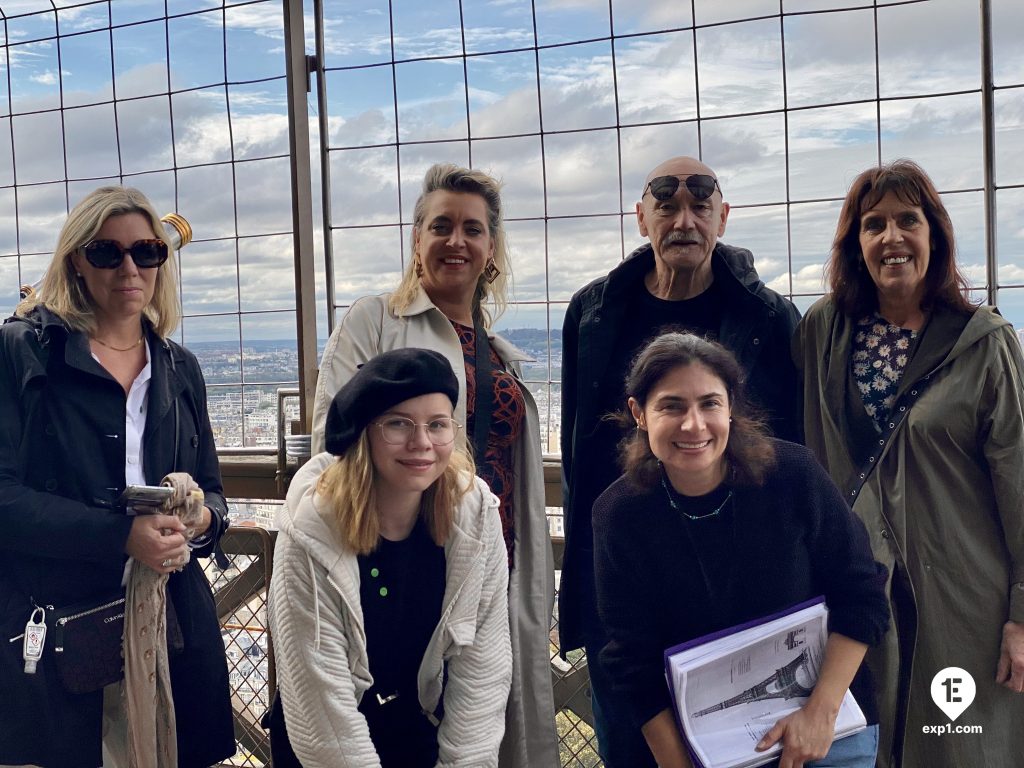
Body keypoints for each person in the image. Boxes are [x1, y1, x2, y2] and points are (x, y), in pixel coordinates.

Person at [310, 163, 558, 766]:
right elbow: (331, 441)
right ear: (416, 240)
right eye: (441, 226)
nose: (457, 241)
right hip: (402, 563)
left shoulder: (497, 349)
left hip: (489, 561)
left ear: (491, 249)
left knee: (482, 723)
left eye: (473, 229)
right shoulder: (376, 321)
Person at [559, 155, 801, 765]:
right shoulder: (592, 312)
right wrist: (583, 594)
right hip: (625, 588)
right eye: (666, 205)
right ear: (641, 219)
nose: (684, 219)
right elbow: (581, 454)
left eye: (700, 204)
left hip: (738, 589)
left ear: (724, 216)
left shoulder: (769, 317)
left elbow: (794, 451)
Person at [794, 159, 1024, 768]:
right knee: (866, 748)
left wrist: (1023, 615)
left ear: (936, 236)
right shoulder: (825, 330)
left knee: (961, 749)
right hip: (856, 591)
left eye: (907, 221)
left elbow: (1020, 481)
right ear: (856, 245)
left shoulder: (985, 341)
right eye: (874, 225)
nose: (891, 238)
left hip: (963, 596)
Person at [0, 186, 234, 767]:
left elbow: (214, 493)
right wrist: (119, 536)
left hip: (166, 623)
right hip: (57, 622)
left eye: (147, 251)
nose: (130, 267)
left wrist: (201, 520)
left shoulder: (181, 367)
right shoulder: (21, 355)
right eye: (107, 253)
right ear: (75, 260)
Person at [593, 332, 889, 768]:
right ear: (639, 413)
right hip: (706, 750)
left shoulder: (794, 477)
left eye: (709, 403)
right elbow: (630, 660)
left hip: (826, 733)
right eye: (672, 405)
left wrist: (819, 715)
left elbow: (862, 595)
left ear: (731, 407)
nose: (693, 424)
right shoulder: (620, 514)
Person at [268, 348, 512, 767]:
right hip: (328, 745)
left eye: (437, 425)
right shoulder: (312, 531)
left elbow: (482, 668)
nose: (421, 443)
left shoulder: (473, 518)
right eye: (398, 424)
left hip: (420, 728)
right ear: (364, 433)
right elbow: (320, 696)